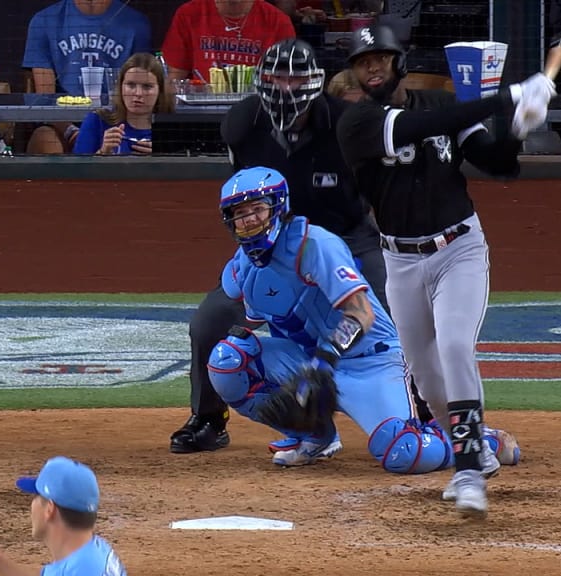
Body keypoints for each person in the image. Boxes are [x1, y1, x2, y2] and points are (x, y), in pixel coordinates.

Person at [335, 25, 554, 518]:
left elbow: (500, 166)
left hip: (459, 249)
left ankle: (470, 469)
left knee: (455, 345)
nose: (372, 68)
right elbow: (410, 130)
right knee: (427, 378)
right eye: (363, 61)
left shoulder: (439, 110)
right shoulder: (357, 123)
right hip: (400, 261)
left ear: (400, 62)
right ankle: (473, 450)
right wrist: (508, 96)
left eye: (381, 58)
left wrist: (520, 126)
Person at [169, 38, 404, 455]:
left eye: (295, 78)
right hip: (271, 244)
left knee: (393, 307)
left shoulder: (347, 124)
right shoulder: (241, 125)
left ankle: (420, 413)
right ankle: (209, 416)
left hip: (343, 237)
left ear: (315, 83)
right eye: (277, 77)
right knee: (211, 320)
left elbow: (378, 189)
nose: (285, 87)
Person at [205, 166, 517, 475]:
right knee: (227, 361)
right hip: (309, 362)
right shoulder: (241, 270)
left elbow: (361, 313)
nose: (248, 220)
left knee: (405, 453)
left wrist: (324, 362)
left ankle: (478, 441)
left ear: (278, 208)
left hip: (370, 362)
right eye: (238, 213)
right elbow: (267, 326)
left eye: (257, 209)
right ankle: (313, 435)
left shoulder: (314, 245)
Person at [0, 455, 127, 576]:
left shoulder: (84, 569)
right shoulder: (93, 551)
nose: (32, 505)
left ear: (49, 509)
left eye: (36, 497)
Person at [23, 0, 152, 154]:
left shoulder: (136, 23)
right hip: (64, 124)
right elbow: (45, 99)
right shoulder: (44, 21)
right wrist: (72, 132)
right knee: (44, 138)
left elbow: (143, 93)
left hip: (117, 122)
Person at [160, 0, 295, 83]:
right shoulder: (188, 14)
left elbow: (285, 83)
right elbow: (175, 81)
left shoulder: (279, 22)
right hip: (200, 114)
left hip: (256, 115)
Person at [73, 53, 174, 156]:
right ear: (121, 86)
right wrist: (102, 153)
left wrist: (162, 157)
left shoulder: (172, 130)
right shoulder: (97, 121)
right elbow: (77, 169)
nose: (138, 93)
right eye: (131, 85)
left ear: (160, 90)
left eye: (147, 86)